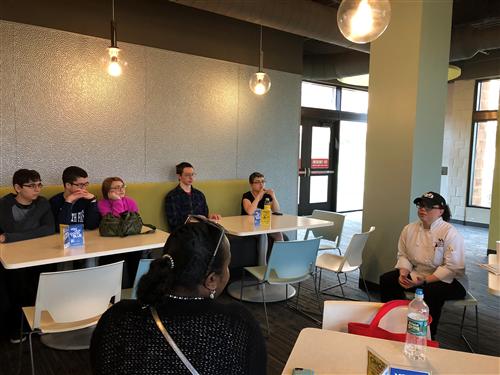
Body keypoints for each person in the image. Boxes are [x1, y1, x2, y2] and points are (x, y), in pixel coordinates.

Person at [90, 216, 267, 375]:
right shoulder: (237, 325)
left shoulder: (116, 318)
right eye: (227, 265)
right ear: (211, 280)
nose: (228, 271)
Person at [379, 191, 467, 338]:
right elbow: (404, 255)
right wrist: (403, 274)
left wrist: (424, 281)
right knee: (387, 280)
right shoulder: (409, 229)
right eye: (421, 205)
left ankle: (427, 336)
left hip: (449, 280)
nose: (422, 209)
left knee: (431, 292)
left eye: (428, 207)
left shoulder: (449, 233)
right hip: (418, 274)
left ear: (441, 211)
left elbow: (452, 268)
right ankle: (393, 324)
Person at [0, 169, 55, 343]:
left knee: (45, 278)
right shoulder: (4, 204)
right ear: (17, 187)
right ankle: (17, 326)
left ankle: (39, 322)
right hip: (13, 257)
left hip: (39, 254)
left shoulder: (42, 203)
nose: (37, 189)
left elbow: (48, 229)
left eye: (39, 184)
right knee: (15, 281)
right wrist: (13, 235)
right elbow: (14, 229)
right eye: (31, 186)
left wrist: (9, 238)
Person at [164, 162, 221, 232]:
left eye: (192, 174)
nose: (191, 177)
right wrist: (192, 220)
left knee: (221, 233)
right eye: (187, 175)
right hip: (183, 233)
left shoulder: (199, 194)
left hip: (201, 231)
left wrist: (210, 217)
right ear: (179, 176)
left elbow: (205, 215)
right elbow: (173, 222)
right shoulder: (172, 196)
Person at [49, 166, 100, 231]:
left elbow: (92, 226)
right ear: (68, 185)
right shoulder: (54, 202)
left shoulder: (87, 199)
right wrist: (68, 202)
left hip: (85, 237)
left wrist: (93, 201)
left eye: (86, 184)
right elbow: (61, 228)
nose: (84, 188)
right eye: (81, 185)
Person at [241, 172, 283, 241]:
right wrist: (258, 196)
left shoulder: (266, 196)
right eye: (257, 182)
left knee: (278, 234)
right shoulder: (246, 196)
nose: (261, 184)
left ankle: (279, 251)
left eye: (263, 181)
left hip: (264, 224)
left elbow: (276, 210)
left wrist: (273, 196)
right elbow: (250, 212)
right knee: (262, 236)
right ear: (251, 184)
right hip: (249, 225)